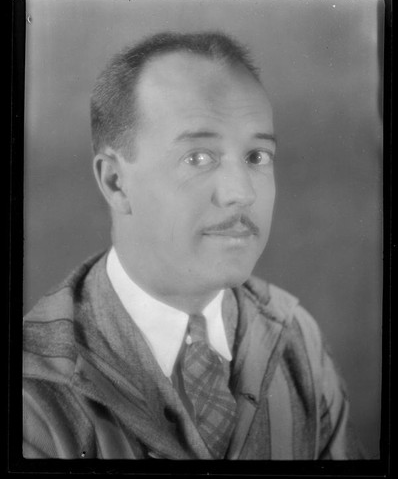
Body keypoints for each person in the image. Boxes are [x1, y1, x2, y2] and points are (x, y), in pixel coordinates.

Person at [23, 31, 364, 460]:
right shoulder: (33, 393)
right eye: (198, 157)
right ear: (116, 182)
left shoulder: (299, 342)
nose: (242, 193)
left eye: (257, 157)